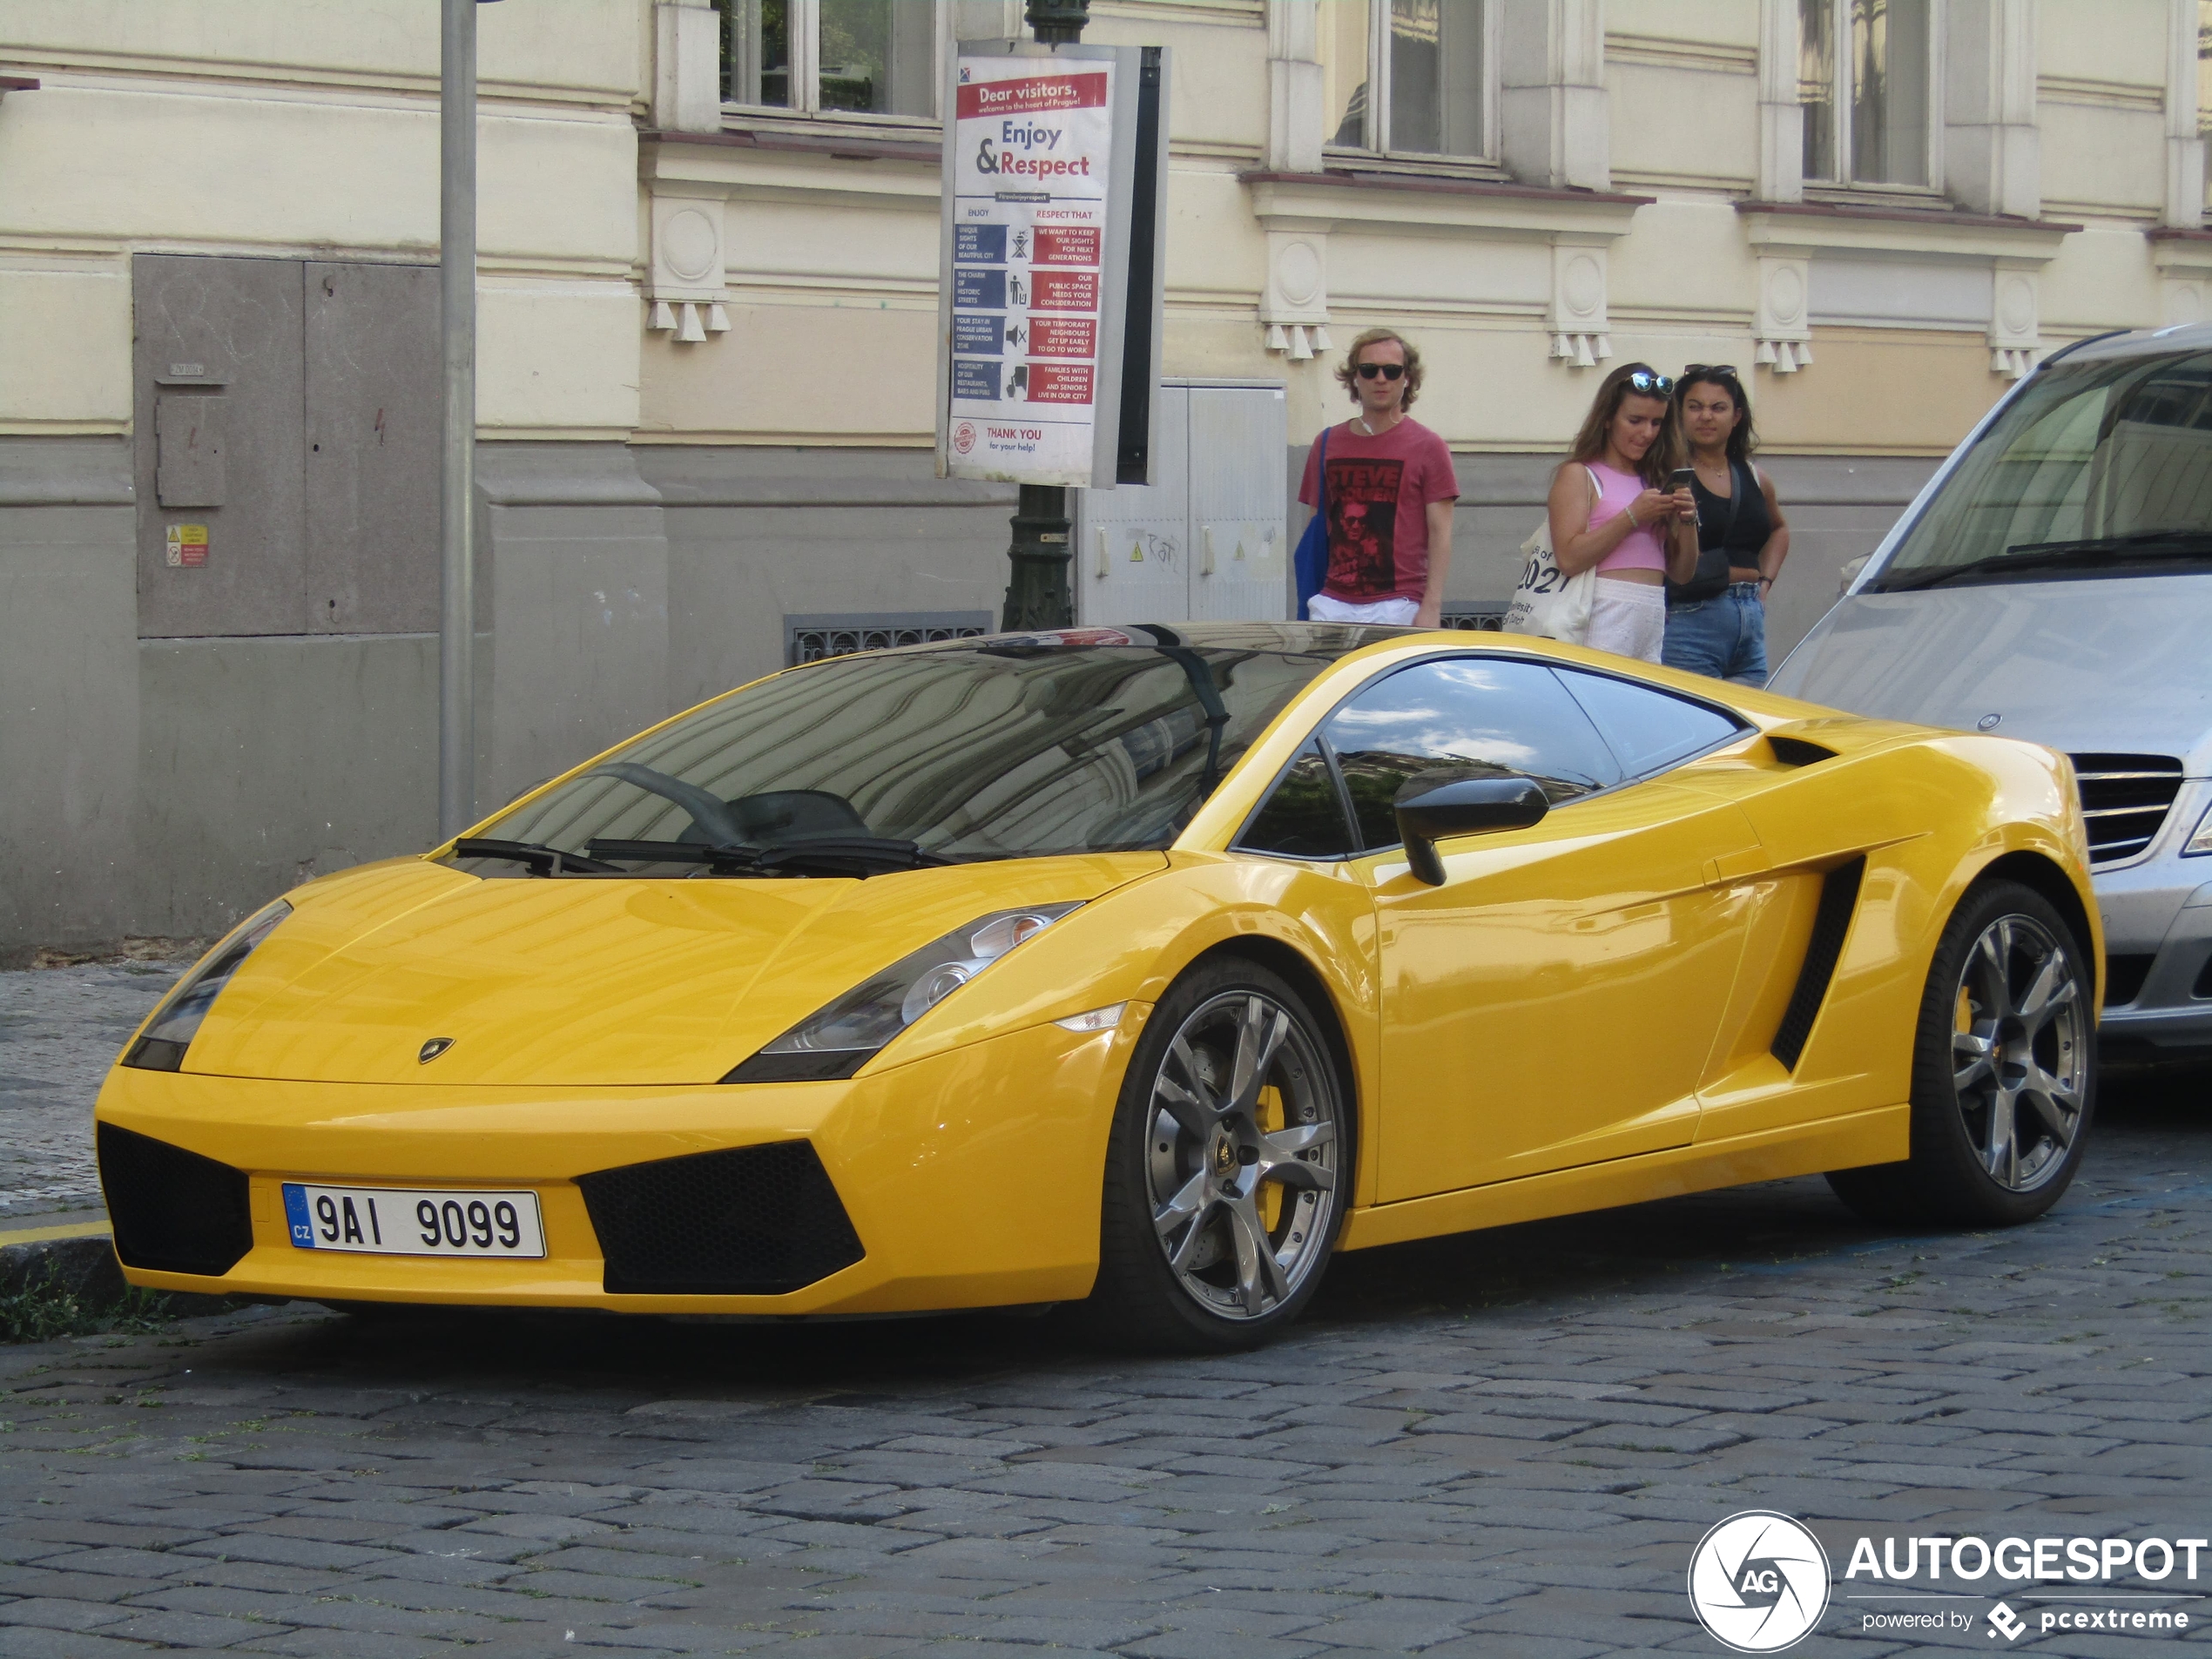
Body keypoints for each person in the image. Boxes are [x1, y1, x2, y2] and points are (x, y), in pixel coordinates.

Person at [1297, 328, 1460, 627]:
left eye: (1392, 370)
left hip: (1400, 603)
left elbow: (1441, 534)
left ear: (1407, 377)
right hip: (1333, 601)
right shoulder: (1327, 443)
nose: (1380, 379)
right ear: (1355, 378)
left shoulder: (1428, 446)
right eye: (1369, 370)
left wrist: (1431, 606)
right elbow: (1316, 520)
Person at [1546, 363, 1699, 662]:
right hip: (1602, 613)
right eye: (1635, 420)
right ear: (1607, 419)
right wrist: (1632, 516)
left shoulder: (1654, 478)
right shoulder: (1580, 474)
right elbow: (1568, 558)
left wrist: (1689, 519)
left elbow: (1681, 574)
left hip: (1651, 614)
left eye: (1656, 423)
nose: (1647, 433)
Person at [1663, 364, 1791, 685]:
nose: (1706, 416)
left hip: (1750, 623)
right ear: (1679, 415)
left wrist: (1765, 584)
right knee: (1698, 727)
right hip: (1690, 622)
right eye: (1695, 407)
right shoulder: (1670, 475)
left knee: (1747, 726)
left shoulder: (1753, 475)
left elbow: (1779, 529)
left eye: (1718, 408)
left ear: (1736, 417)